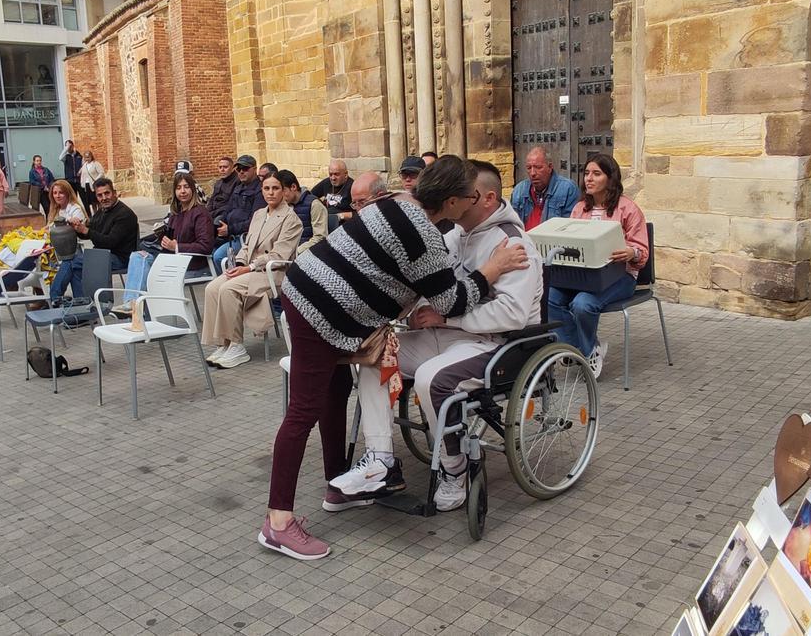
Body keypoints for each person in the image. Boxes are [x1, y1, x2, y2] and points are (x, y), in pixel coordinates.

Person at [259, 155, 530, 560]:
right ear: (453, 201)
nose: (472, 203)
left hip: (311, 292)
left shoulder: (398, 202)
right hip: (321, 307)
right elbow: (452, 300)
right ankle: (278, 522)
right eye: (468, 196)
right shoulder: (423, 235)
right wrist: (491, 268)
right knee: (303, 411)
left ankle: (339, 484)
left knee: (334, 391)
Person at [328, 160, 543, 511]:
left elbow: (512, 314)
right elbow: (430, 283)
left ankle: (454, 468)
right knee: (377, 358)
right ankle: (380, 460)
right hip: (449, 335)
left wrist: (446, 318)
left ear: (485, 199)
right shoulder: (454, 235)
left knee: (432, 378)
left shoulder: (514, 244)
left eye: (465, 194)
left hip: (496, 343)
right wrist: (417, 312)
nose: (452, 200)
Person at [546, 153, 648, 380]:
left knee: (582, 303)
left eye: (596, 174)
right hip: (581, 275)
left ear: (610, 179)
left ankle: (578, 351)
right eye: (586, 173)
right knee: (548, 298)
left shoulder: (628, 209)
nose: (588, 179)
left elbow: (642, 252)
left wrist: (631, 251)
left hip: (619, 277)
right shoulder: (580, 208)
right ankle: (586, 350)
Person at [202, 175, 303, 370]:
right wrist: (238, 262)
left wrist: (248, 267)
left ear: (283, 191)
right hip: (248, 268)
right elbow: (247, 245)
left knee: (228, 289)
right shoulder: (258, 214)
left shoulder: (292, 219)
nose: (270, 193)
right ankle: (223, 343)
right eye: (266, 188)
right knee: (212, 288)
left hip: (272, 272)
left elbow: (278, 254)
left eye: (275, 188)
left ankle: (237, 345)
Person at [117, 173, 215, 312]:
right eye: (179, 188)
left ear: (193, 189)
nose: (182, 191)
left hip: (193, 265)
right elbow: (171, 243)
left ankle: (138, 311)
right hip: (172, 261)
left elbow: (206, 246)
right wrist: (162, 238)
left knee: (149, 274)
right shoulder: (176, 213)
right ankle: (132, 304)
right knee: (139, 256)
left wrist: (177, 246)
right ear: (174, 192)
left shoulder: (201, 213)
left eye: (186, 187)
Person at [50, 179, 139, 298]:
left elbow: (110, 242)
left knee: (71, 262)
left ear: (114, 193)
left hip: (120, 258)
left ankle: (54, 298)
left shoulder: (124, 214)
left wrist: (86, 230)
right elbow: (89, 231)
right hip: (101, 253)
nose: (104, 198)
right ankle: (81, 304)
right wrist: (78, 228)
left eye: (107, 193)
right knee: (75, 264)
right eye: (100, 195)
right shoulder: (102, 210)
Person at [511, 146, 579, 229]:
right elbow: (512, 225)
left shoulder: (567, 189)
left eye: (538, 167)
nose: (532, 173)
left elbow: (570, 228)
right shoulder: (519, 190)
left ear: (550, 167)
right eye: (529, 168)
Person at [212, 154, 260, 269]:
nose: (241, 172)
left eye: (245, 168)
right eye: (238, 169)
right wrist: (219, 222)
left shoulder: (259, 190)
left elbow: (255, 221)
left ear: (255, 169)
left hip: (245, 237)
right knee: (210, 248)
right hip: (229, 234)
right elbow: (228, 209)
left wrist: (229, 229)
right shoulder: (239, 187)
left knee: (218, 256)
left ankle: (229, 281)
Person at [278, 170, 327, 254]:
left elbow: (320, 237)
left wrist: (296, 252)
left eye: (283, 190)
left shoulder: (314, 204)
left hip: (305, 254)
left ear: (293, 187)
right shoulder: (284, 205)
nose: (280, 195)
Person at [207, 156, 239, 220]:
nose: (222, 170)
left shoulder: (237, 182)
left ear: (233, 169)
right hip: (214, 213)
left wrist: (212, 214)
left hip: (226, 215)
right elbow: (212, 200)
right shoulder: (218, 183)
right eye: (220, 167)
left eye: (225, 167)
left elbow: (231, 204)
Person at [78, 150, 106, 216]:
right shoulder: (84, 165)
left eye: (88, 157)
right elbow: (81, 174)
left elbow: (101, 173)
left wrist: (96, 180)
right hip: (87, 186)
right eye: (85, 157)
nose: (87, 159)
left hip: (94, 185)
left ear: (91, 156)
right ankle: (95, 214)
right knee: (92, 202)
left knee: (97, 201)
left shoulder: (96, 164)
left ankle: (100, 214)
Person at [59, 140, 85, 209]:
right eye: (67, 146)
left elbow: (83, 165)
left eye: (70, 146)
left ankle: (88, 214)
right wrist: (66, 148)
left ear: (73, 146)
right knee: (73, 198)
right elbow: (60, 158)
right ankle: (75, 212)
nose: (69, 148)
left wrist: (80, 171)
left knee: (84, 198)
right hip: (70, 180)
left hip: (79, 180)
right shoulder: (65, 157)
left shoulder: (79, 156)